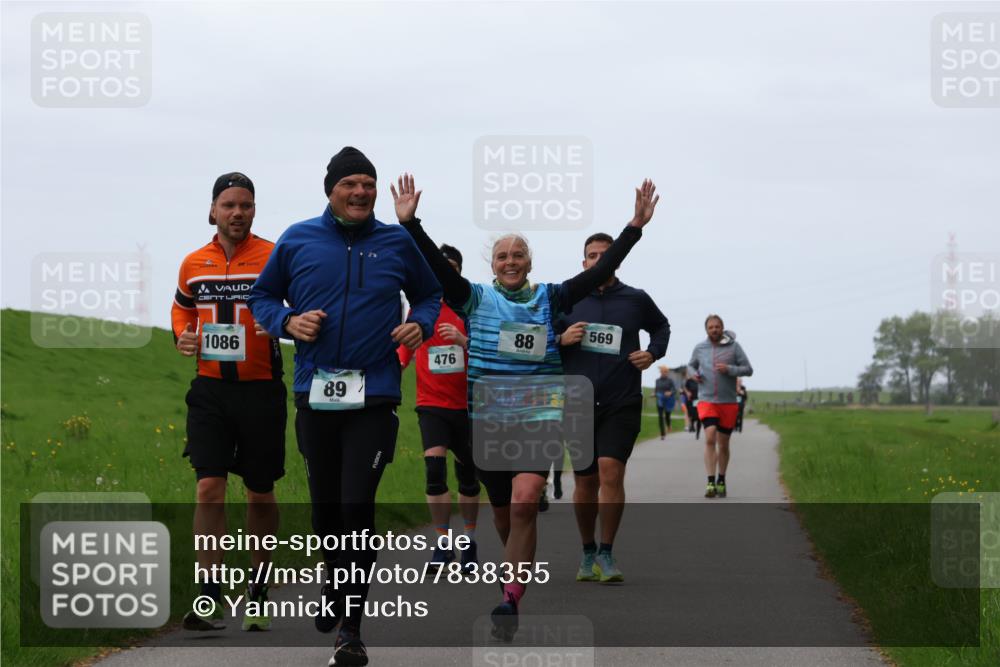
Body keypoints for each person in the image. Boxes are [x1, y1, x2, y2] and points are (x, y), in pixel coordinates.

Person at [393, 174, 659, 640]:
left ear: (529, 261)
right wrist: (412, 224)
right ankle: (512, 569)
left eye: (518, 255)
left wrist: (633, 227)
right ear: (492, 265)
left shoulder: (549, 297)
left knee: (523, 502)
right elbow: (439, 270)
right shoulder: (474, 298)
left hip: (539, 414)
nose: (511, 262)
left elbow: (598, 273)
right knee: (502, 513)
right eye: (502, 256)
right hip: (489, 417)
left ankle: (511, 594)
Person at [248, 148, 442, 667]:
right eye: (350, 184)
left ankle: (350, 632)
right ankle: (333, 583)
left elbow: (430, 294)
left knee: (357, 509)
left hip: (374, 395)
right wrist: (287, 322)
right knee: (325, 510)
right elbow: (262, 297)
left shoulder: (396, 242)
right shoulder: (297, 238)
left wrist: (419, 324)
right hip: (315, 393)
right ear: (330, 190)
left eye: (368, 184)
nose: (360, 192)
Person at [172, 172, 286, 632]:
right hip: (210, 390)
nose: (237, 212)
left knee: (259, 492)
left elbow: (299, 305)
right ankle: (208, 595)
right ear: (213, 211)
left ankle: (258, 589)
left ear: (254, 210)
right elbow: (182, 305)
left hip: (261, 389)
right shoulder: (193, 262)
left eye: (246, 205)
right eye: (229, 205)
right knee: (208, 488)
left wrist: (277, 321)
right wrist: (182, 334)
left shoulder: (275, 256)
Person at [556, 232, 670, 583]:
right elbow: (542, 338)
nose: (597, 261)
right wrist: (561, 339)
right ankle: (587, 548)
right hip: (577, 400)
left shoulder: (635, 299)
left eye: (604, 255)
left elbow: (661, 326)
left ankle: (606, 552)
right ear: (583, 262)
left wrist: (652, 353)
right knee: (585, 481)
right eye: (591, 256)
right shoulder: (565, 298)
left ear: (616, 259)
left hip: (621, 400)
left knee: (611, 471)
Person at [397, 244, 482, 573]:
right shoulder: (421, 310)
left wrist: (463, 341)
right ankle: (443, 545)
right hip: (431, 404)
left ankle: (469, 544)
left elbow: (488, 354)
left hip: (468, 406)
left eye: (449, 268)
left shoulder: (471, 310)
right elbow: (403, 353)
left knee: (468, 480)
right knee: (434, 473)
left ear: (458, 272)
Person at [688, 315, 753, 499]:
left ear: (722, 328)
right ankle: (710, 481)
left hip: (728, 402)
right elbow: (691, 366)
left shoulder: (734, 347)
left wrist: (730, 369)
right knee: (710, 437)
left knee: (723, 444)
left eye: (717, 327)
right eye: (710, 327)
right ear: (706, 329)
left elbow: (748, 369)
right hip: (707, 400)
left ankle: (721, 479)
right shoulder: (700, 348)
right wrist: (694, 374)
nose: (714, 330)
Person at [654, 365, 677, 439]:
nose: (664, 373)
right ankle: (662, 434)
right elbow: (656, 390)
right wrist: (654, 394)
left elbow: (674, 390)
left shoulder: (670, 381)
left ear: (667, 372)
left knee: (667, 415)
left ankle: (669, 425)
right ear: (660, 372)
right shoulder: (657, 381)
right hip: (660, 400)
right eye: (663, 372)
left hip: (668, 400)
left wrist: (670, 392)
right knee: (660, 417)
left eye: (665, 372)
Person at [684, 374, 701, 439]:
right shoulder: (689, 381)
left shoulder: (701, 380)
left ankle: (698, 433)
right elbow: (685, 387)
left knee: (699, 417)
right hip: (690, 400)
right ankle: (692, 425)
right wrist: (687, 392)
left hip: (699, 400)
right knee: (691, 414)